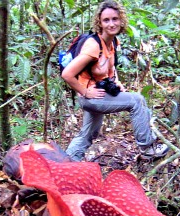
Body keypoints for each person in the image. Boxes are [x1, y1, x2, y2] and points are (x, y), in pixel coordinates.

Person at [62, 0, 169, 162]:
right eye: (106, 20)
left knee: (88, 134)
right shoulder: (93, 45)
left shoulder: (113, 42)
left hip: (98, 93)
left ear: (121, 20)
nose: (111, 24)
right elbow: (67, 74)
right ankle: (148, 148)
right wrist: (85, 91)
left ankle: (66, 164)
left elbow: (109, 65)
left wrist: (115, 81)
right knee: (137, 101)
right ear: (100, 23)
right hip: (91, 96)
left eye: (115, 19)